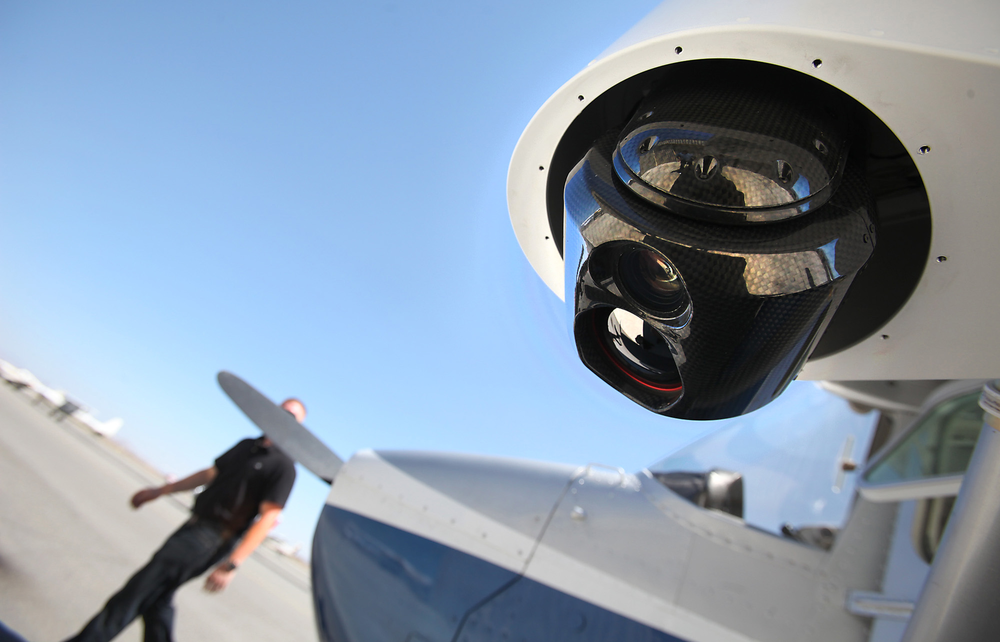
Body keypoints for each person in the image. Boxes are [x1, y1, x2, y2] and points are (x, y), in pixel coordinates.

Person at [64, 398, 305, 642]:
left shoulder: (283, 466)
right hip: (194, 525)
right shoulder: (246, 446)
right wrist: (160, 491)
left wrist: (232, 563)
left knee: (138, 591)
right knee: (157, 599)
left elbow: (269, 517)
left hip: (212, 539)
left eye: (291, 417)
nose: (281, 417)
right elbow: (209, 474)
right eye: (279, 410)